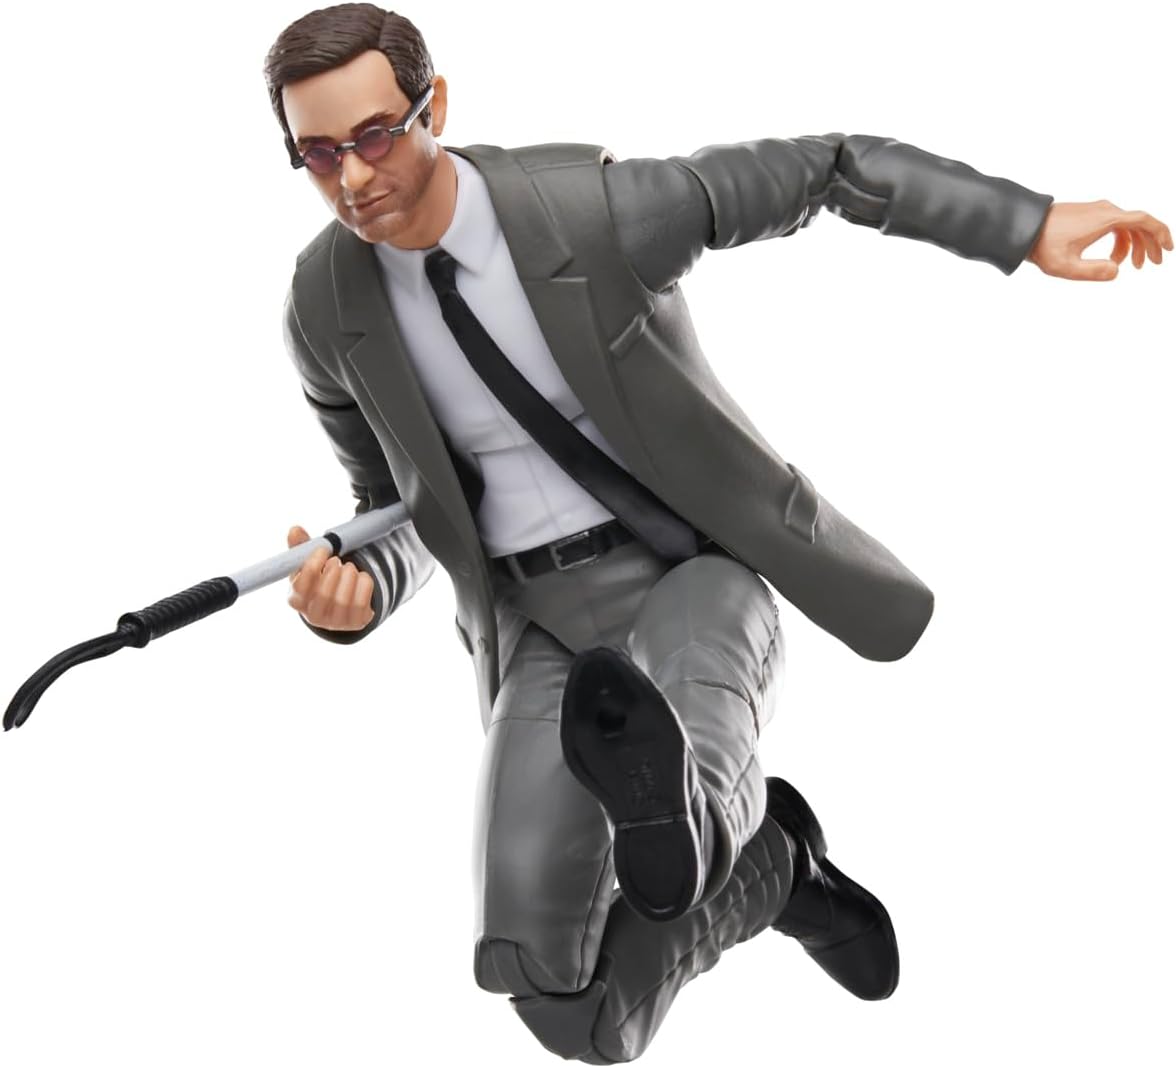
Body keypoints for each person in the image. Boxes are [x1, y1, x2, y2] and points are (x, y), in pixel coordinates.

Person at [262, 4, 1169, 1062]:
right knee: (545, 984)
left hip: (685, 571)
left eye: (376, 136)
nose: (353, 176)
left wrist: (1023, 222)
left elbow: (828, 167)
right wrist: (358, 585)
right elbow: (395, 504)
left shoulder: (593, 211)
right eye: (316, 154)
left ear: (437, 108)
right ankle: (773, 867)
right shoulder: (324, 307)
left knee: (687, 779)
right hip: (538, 629)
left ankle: (706, 826)